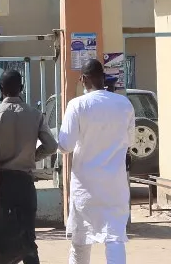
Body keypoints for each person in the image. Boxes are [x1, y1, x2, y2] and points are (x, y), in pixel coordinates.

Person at [58, 59, 135, 264]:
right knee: (115, 238)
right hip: (115, 186)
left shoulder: (77, 105)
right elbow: (131, 140)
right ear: (103, 78)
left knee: (81, 241)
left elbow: (65, 145)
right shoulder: (124, 104)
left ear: (83, 79)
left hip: (85, 187)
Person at [0, 69, 58, 264]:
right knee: (28, 240)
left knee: (2, 240)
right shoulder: (34, 114)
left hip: (4, 183)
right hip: (25, 183)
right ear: (22, 88)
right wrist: (33, 156)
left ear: (1, 89)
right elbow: (51, 145)